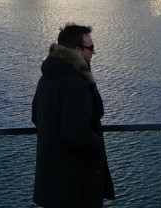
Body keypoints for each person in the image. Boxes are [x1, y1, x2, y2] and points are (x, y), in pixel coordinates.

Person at [32, 23, 115, 207]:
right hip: (76, 185)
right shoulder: (75, 84)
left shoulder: (47, 78)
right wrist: (98, 144)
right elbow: (75, 133)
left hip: (51, 182)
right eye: (90, 48)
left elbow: (35, 117)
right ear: (77, 50)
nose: (93, 53)